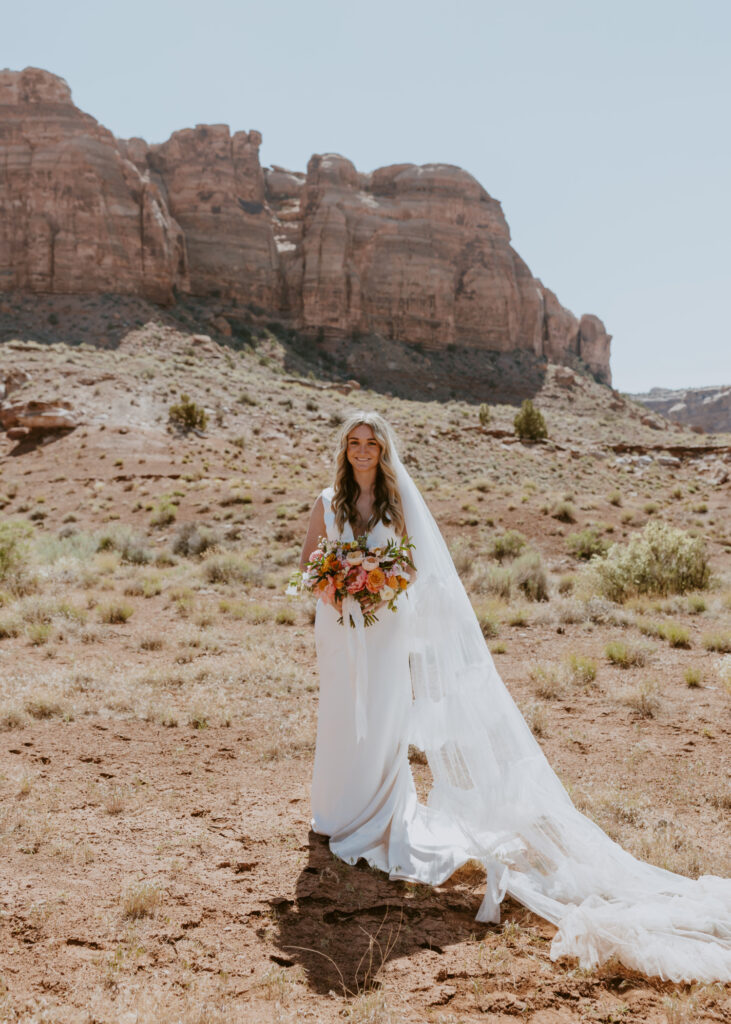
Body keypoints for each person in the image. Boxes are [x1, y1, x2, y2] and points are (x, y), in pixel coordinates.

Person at [298, 410, 731, 984]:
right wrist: (336, 588)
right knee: (337, 721)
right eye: (352, 442)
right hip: (339, 631)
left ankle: (376, 813)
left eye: (369, 443)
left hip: (383, 634)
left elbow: (416, 573)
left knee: (379, 722)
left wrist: (375, 583)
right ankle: (334, 812)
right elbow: (308, 565)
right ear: (343, 449)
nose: (360, 451)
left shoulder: (398, 506)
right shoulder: (327, 501)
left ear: (383, 450)